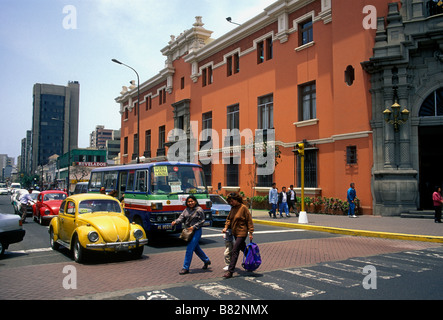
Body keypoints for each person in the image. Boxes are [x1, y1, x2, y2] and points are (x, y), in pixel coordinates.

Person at [171, 195, 211, 274]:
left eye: (192, 201)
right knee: (196, 248)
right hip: (188, 231)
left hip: (196, 231)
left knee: (190, 248)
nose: (190, 203)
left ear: (195, 201)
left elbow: (202, 220)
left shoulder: (199, 210)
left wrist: (194, 227)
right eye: (189, 202)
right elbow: (181, 217)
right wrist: (175, 222)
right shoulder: (186, 210)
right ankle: (206, 260)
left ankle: (185, 268)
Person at [222, 192, 254, 278]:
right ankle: (252, 261)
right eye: (229, 201)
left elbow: (249, 221)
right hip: (235, 232)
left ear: (237, 200)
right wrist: (226, 227)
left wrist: (250, 232)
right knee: (243, 248)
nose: (230, 203)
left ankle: (230, 271)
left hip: (242, 232)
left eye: (232, 201)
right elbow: (229, 219)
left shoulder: (243, 208)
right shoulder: (233, 208)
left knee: (235, 250)